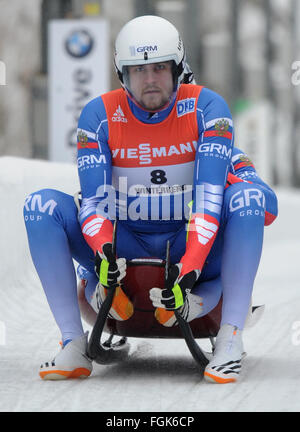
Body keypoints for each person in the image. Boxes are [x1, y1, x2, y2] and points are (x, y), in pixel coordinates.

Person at [24, 15, 278, 383]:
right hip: (127, 240)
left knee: (246, 197)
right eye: (138, 70)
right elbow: (94, 203)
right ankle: (72, 342)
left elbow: (213, 202)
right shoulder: (99, 114)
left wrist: (190, 265)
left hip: (188, 240)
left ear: (178, 70)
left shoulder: (209, 109)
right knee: (40, 205)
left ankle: (230, 336)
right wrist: (102, 252)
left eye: (160, 68)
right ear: (122, 75)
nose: (150, 80)